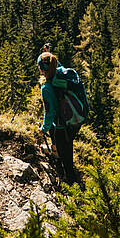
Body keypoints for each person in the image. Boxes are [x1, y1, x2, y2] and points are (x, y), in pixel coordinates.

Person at [37, 51, 81, 184]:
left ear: (42, 68)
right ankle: (56, 152)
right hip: (74, 120)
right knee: (67, 145)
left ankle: (70, 184)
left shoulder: (47, 88)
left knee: (66, 157)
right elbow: (54, 62)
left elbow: (50, 112)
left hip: (62, 125)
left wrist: (43, 129)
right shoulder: (61, 73)